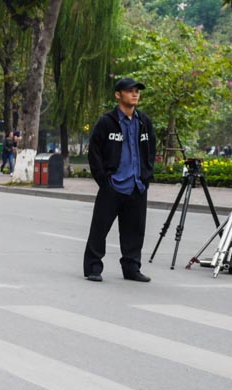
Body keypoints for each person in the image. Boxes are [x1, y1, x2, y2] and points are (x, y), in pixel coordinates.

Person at [83, 77, 155, 283]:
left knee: (135, 231)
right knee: (100, 228)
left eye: (137, 91)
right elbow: (94, 152)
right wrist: (104, 180)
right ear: (118, 94)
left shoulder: (144, 122)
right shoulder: (107, 122)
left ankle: (132, 268)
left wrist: (145, 176)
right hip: (113, 185)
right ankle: (93, 267)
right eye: (130, 91)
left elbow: (151, 152)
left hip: (137, 185)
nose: (135, 94)